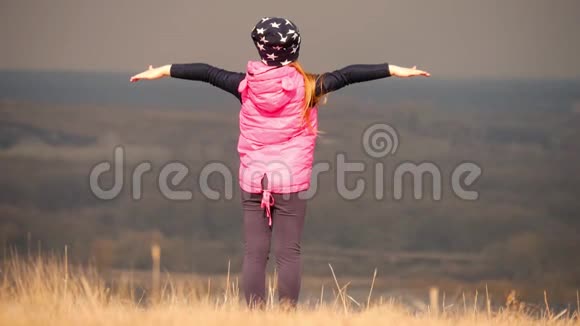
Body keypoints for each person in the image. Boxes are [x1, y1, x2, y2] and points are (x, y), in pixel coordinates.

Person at [130, 16, 430, 308]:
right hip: (291, 183)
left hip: (253, 181)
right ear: (295, 48)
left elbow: (206, 72)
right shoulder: (310, 87)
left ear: (260, 48)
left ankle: (252, 317)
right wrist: (395, 70)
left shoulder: (244, 86)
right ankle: (287, 315)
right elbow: (349, 74)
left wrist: (162, 71)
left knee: (254, 255)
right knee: (289, 254)